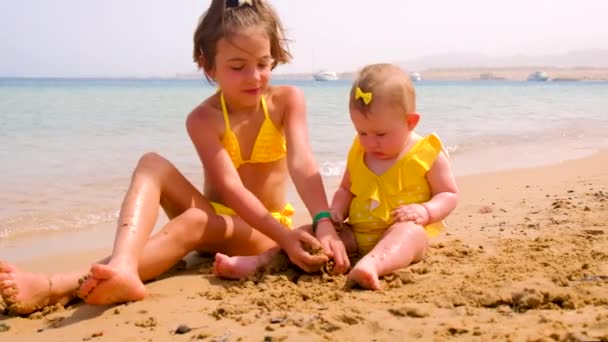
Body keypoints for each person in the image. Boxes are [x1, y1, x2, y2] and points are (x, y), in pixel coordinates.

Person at [0, 0, 349, 315]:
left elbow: (302, 165)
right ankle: (122, 264)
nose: (254, 76)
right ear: (207, 65)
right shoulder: (203, 118)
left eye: (262, 63)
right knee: (152, 163)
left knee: (195, 222)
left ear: (274, 56)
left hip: (267, 229)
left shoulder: (288, 101)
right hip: (218, 217)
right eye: (237, 66)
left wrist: (320, 221)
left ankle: (56, 286)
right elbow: (228, 187)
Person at [213, 63, 459, 290]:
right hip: (356, 232)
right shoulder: (360, 151)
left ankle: (373, 265)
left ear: (411, 122)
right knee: (307, 233)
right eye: (362, 132)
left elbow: (448, 194)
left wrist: (425, 211)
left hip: (402, 232)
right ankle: (259, 262)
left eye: (381, 134)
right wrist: (336, 211)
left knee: (408, 234)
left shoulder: (427, 153)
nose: (370, 142)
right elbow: (346, 189)